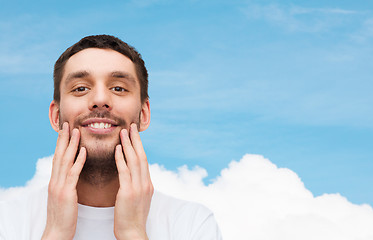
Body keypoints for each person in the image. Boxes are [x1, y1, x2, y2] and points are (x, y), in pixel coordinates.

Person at [0, 35, 222, 240]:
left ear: (144, 114)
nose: (99, 99)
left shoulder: (193, 224)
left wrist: (133, 232)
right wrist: (56, 232)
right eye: (80, 88)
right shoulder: (8, 222)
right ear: (56, 115)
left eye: (118, 88)